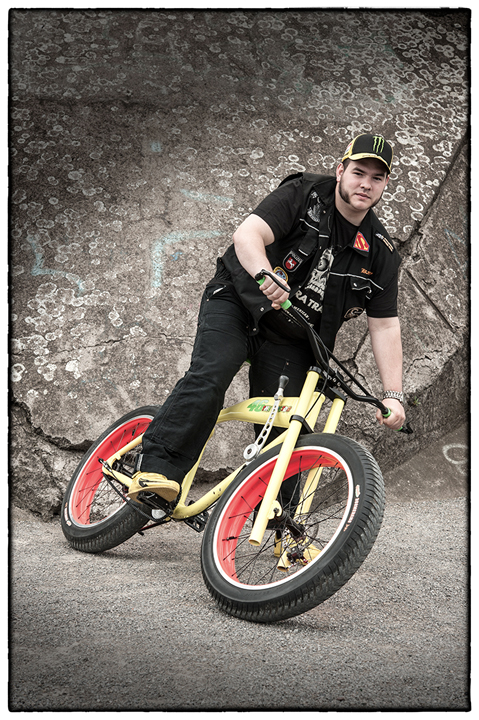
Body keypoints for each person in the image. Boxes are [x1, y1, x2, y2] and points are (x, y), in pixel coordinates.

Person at [127, 133, 406, 505]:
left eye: (377, 177)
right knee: (212, 374)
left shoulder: (381, 253)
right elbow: (248, 234)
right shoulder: (304, 193)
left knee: (287, 425)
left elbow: (384, 325)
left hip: (294, 337)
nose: (366, 184)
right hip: (240, 301)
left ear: (385, 184)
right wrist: (265, 274)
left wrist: (393, 396)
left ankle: (277, 518)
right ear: (341, 171)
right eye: (359, 173)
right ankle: (156, 470)